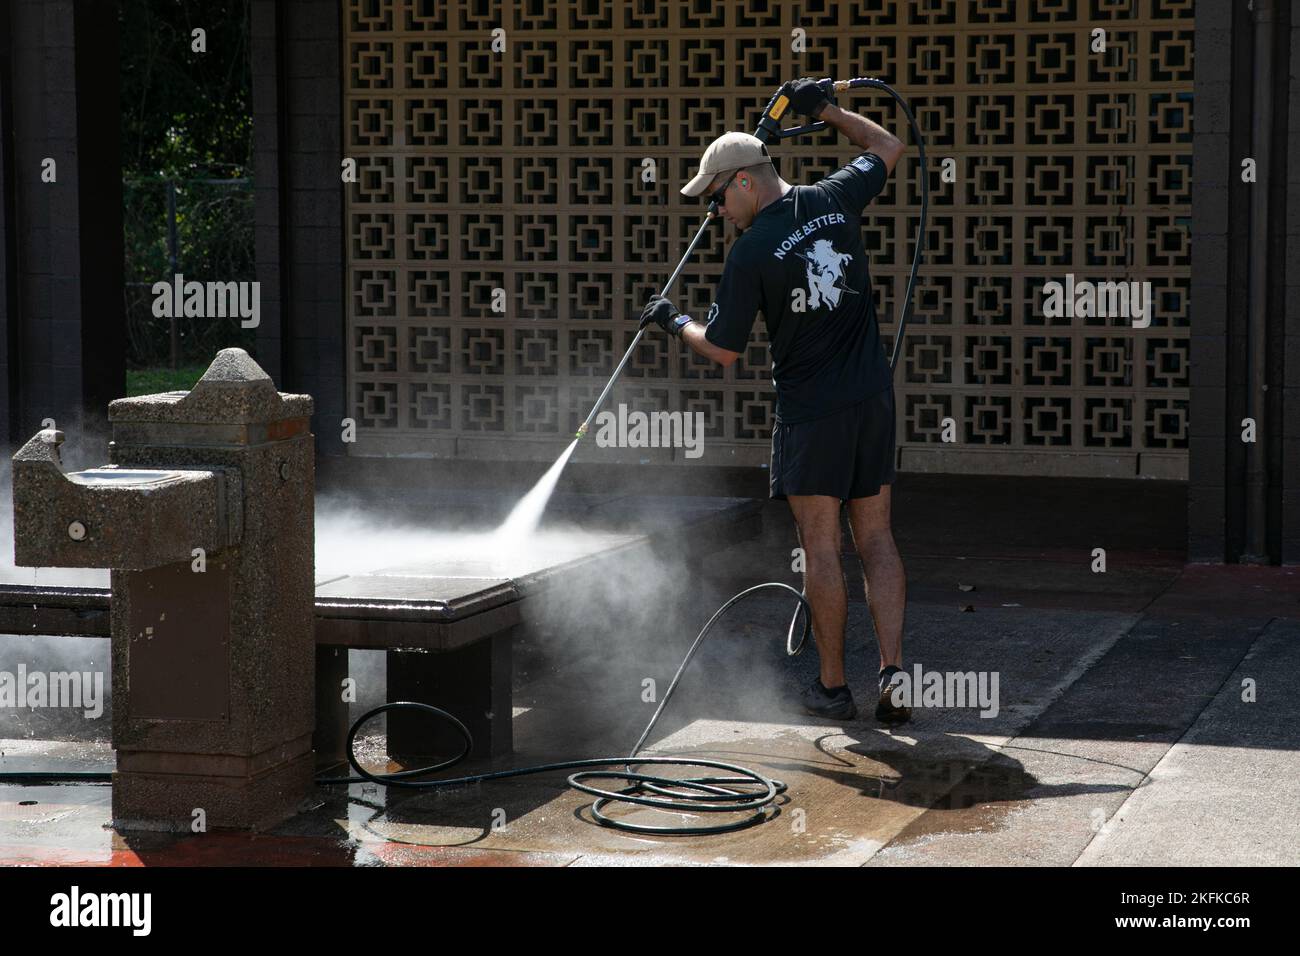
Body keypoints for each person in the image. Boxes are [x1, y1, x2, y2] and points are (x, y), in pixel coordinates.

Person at [639, 78, 910, 724]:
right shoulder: (836, 197)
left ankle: (833, 686)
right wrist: (829, 110)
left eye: (717, 198)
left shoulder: (751, 252)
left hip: (812, 417)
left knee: (822, 548)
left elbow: (725, 350)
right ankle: (894, 674)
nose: (716, 213)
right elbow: (888, 144)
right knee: (875, 538)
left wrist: (673, 321)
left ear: (744, 182)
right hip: (872, 401)